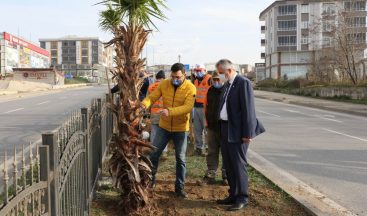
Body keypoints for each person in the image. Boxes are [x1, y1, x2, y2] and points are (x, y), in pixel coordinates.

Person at [215, 59, 265, 211]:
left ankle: (242, 197)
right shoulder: (227, 85)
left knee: (238, 164)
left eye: (221, 73)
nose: (219, 77)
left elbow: (248, 110)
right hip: (225, 129)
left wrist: (247, 133)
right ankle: (233, 193)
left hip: (238, 131)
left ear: (228, 70)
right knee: (228, 163)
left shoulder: (243, 83)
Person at [142, 63, 196, 198]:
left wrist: (169, 111)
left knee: (180, 158)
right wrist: (143, 104)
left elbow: (188, 107)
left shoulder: (190, 88)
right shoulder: (164, 84)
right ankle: (150, 181)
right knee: (154, 154)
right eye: (172, 76)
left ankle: (179, 187)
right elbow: (152, 97)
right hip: (164, 127)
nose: (174, 79)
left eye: (177, 77)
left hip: (181, 128)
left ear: (184, 75)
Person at [203, 71, 227, 185]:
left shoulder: (227, 90)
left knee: (226, 152)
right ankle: (211, 172)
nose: (216, 82)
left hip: (224, 127)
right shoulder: (210, 90)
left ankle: (226, 174)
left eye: (218, 79)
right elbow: (205, 107)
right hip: (211, 127)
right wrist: (206, 123)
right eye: (214, 79)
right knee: (212, 151)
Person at [147, 70, 168, 157]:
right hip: (163, 113)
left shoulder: (151, 86)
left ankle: (153, 150)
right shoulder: (166, 86)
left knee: (154, 132)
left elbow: (148, 100)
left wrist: (148, 112)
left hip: (154, 112)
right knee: (164, 132)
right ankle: (164, 152)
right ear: (163, 78)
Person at [192, 64, 211, 156]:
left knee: (206, 129)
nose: (198, 72)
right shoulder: (195, 81)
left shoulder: (210, 79)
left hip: (206, 108)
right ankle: (198, 148)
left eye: (200, 70)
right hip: (196, 108)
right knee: (197, 129)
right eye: (196, 70)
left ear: (205, 70)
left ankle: (208, 148)